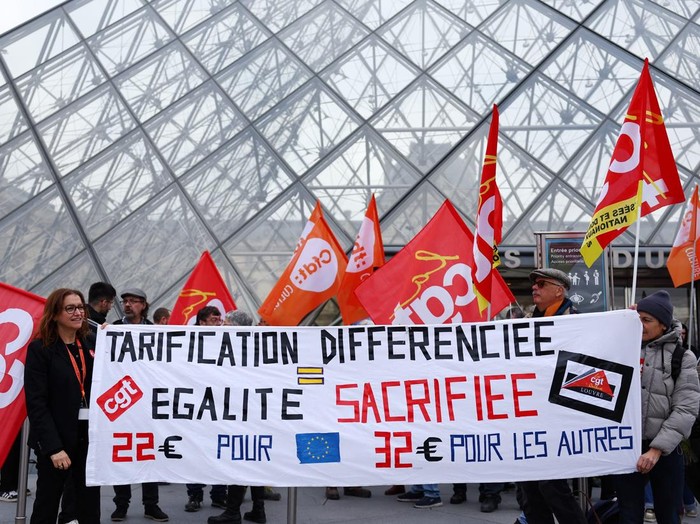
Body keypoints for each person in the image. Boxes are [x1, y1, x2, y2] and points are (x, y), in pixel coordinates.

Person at [612, 290, 700, 524]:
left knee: (668, 516)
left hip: (666, 451)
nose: (640, 325)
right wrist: (622, 319)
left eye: (646, 320)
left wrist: (656, 449)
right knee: (628, 515)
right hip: (626, 448)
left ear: (663, 324)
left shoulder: (683, 357)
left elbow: (686, 409)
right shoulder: (622, 348)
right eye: (637, 319)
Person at [24, 288, 100, 524]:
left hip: (88, 437)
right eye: (70, 308)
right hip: (55, 439)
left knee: (89, 505)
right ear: (55, 314)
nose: (78, 312)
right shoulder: (41, 349)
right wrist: (53, 448)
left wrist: (112, 338)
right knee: (47, 504)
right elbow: (36, 403)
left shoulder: (92, 342)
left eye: (80, 307)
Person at [517, 268, 587, 524]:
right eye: (534, 284)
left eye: (541, 284)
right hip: (530, 416)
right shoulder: (527, 322)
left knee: (553, 487)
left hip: (561, 416)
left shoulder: (578, 322)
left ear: (559, 290)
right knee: (529, 490)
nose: (535, 288)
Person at [111, 288, 168, 522]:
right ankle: (121, 504)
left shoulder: (152, 331)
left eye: (133, 301)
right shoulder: (113, 328)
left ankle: (150, 505)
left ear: (144, 305)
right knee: (120, 452)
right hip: (123, 398)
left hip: (146, 401)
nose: (127, 304)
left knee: (148, 453)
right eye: (125, 301)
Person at [209, 310, 269, 524]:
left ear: (236, 326)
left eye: (226, 322)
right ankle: (258, 510)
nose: (222, 325)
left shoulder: (234, 348)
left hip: (240, 412)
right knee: (254, 460)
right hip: (256, 412)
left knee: (239, 457)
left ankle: (233, 511)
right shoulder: (256, 347)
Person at [185, 306, 227, 512]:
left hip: (221, 404)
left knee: (222, 449)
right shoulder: (188, 342)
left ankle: (219, 494)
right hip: (197, 406)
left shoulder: (228, 342)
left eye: (220, 320)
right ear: (201, 322)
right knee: (196, 450)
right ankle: (195, 494)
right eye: (213, 320)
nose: (218, 323)